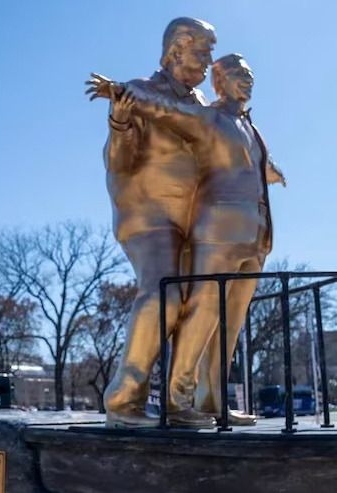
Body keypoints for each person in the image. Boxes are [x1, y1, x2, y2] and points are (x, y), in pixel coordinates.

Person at [98, 54, 283, 422]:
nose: (248, 80)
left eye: (250, 74)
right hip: (217, 230)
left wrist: (274, 172)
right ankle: (175, 399)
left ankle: (211, 400)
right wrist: (120, 93)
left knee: (228, 322)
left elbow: (258, 164)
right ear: (219, 83)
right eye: (238, 74)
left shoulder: (250, 125)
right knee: (203, 309)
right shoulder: (209, 117)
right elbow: (166, 110)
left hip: (256, 234)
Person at [85, 17, 217, 429]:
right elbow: (118, 162)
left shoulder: (203, 106)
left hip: (195, 220)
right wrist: (120, 123)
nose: (210, 60)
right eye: (203, 50)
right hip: (149, 216)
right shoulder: (139, 92)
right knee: (163, 292)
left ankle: (184, 402)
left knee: (203, 302)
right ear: (178, 49)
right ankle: (124, 399)